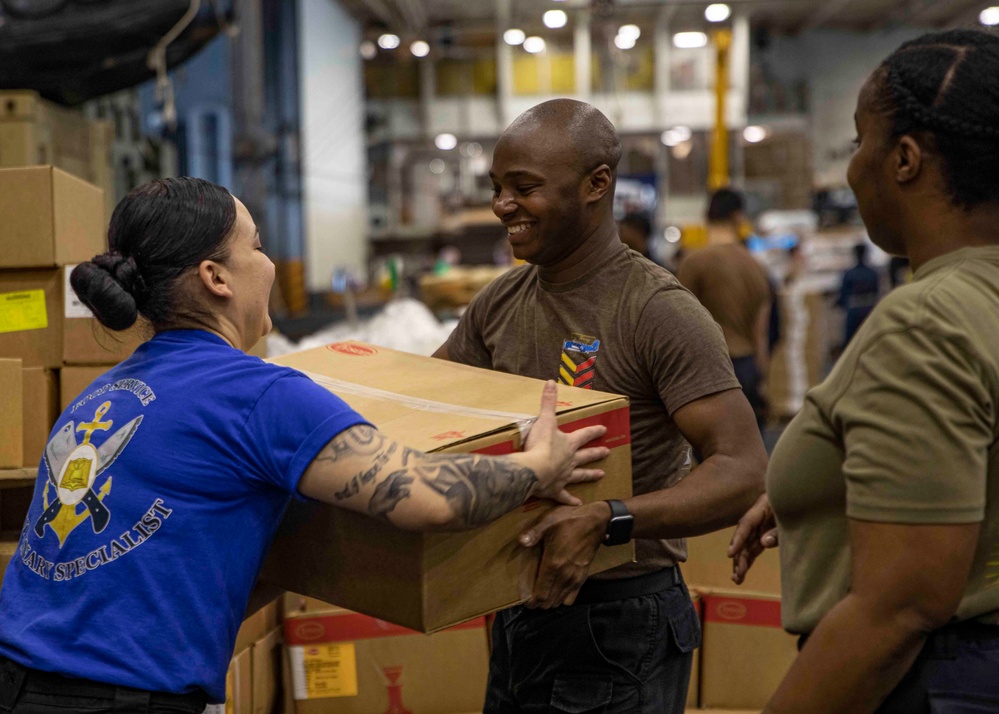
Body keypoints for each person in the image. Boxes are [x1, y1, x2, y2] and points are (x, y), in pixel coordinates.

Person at [0, 178, 610, 714]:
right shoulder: (256, 394)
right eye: (257, 246)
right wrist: (537, 465)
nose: (269, 263)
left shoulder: (103, 395)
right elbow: (429, 498)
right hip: (120, 701)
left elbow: (186, 568)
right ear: (215, 278)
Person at [434, 99, 766, 713]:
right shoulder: (500, 302)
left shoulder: (655, 311)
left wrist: (608, 518)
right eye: (497, 187)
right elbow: (429, 407)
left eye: (524, 187)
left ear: (597, 184)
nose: (501, 205)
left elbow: (743, 471)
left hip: (620, 622)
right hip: (517, 606)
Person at [730, 29, 999, 713]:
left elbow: (898, 608)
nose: (852, 170)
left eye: (858, 143)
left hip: (937, 683)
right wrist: (830, 484)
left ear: (904, 159)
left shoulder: (927, 321)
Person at [677, 188, 773, 432]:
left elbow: (680, 326)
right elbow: (761, 332)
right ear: (739, 217)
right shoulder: (756, 266)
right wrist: (762, 378)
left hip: (707, 372)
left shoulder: (694, 262)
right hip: (747, 367)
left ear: (705, 215)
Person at [836, 242, 880, 345]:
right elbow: (877, 292)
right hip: (870, 310)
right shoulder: (872, 273)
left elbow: (843, 295)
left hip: (854, 312)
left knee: (851, 343)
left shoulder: (849, 274)